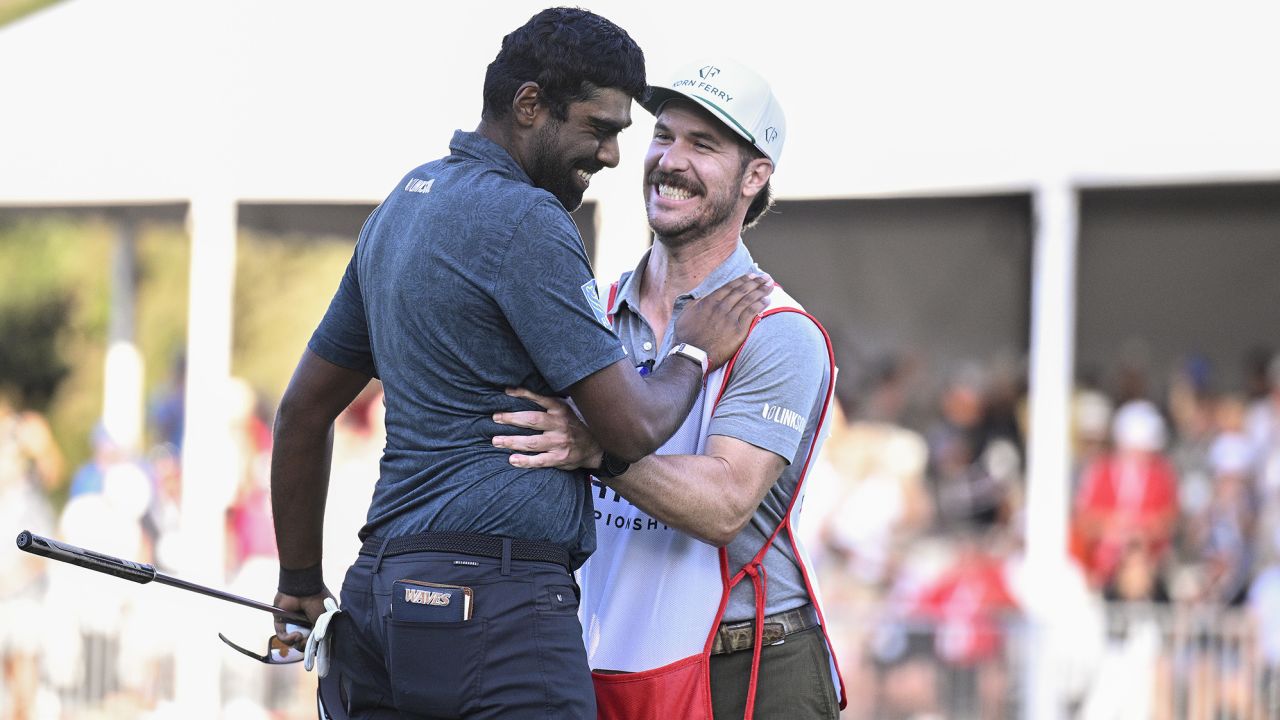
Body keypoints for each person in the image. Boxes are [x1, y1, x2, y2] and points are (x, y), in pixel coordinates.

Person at [268, 10, 773, 720]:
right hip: (493, 607)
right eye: (599, 128)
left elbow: (301, 413)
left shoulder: (404, 204)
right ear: (530, 105)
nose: (611, 157)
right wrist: (692, 346)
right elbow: (633, 428)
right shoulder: (528, 219)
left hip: (377, 598)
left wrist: (297, 581)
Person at [494, 58, 844, 719]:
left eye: (703, 145)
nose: (670, 160)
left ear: (756, 176)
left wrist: (596, 446)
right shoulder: (589, 309)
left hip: (750, 666)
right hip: (607, 658)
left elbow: (722, 506)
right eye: (665, 136)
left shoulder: (779, 332)